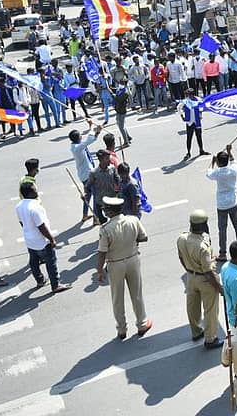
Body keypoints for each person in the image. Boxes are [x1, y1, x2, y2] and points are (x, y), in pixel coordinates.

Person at [96, 196, 151, 339]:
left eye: (105, 209)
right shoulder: (133, 220)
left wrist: (99, 271)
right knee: (137, 294)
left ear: (110, 212)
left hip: (115, 264)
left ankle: (121, 329)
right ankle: (142, 324)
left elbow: (102, 252)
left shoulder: (105, 229)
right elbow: (144, 237)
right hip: (133, 260)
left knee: (117, 298)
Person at [176, 209, 224, 348]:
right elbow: (208, 272)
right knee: (210, 310)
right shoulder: (203, 246)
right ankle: (210, 338)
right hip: (205, 279)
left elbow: (181, 257)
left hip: (191, 277)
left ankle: (196, 331)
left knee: (192, 306)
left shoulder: (182, 238)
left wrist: (190, 270)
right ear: (204, 225)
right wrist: (219, 288)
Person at [17, 181, 70, 293]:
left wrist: (28, 232)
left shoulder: (19, 206)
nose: (37, 191)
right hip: (41, 241)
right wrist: (51, 239)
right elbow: (42, 226)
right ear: (30, 193)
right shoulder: (35, 207)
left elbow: (22, 223)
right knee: (51, 262)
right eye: (35, 190)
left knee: (34, 262)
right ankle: (55, 284)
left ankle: (40, 280)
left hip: (30, 240)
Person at [206, 145, 237, 261]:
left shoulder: (217, 173)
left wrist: (212, 162)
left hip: (222, 204)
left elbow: (208, 173)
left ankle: (223, 253)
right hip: (233, 201)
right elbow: (233, 161)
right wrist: (229, 151)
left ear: (218, 162)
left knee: (222, 229)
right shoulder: (233, 170)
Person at [70, 121, 102, 224]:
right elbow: (88, 140)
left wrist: (91, 127)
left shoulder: (78, 144)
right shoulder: (77, 148)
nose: (81, 137)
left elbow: (88, 138)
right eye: (80, 136)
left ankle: (85, 215)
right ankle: (96, 219)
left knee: (87, 196)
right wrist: (96, 131)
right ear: (77, 138)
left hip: (85, 173)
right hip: (87, 175)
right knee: (96, 195)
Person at [85, 149, 119, 225]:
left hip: (112, 201)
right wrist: (85, 194)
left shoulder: (112, 169)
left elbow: (118, 181)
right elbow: (88, 186)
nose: (109, 161)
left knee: (115, 223)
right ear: (100, 160)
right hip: (101, 204)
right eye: (107, 159)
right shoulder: (94, 173)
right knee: (104, 224)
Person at [180, 88, 209, 160]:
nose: (187, 96)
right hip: (189, 122)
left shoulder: (198, 99)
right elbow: (179, 107)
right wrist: (182, 116)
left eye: (188, 95)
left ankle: (201, 150)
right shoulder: (185, 101)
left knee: (199, 136)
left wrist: (200, 113)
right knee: (189, 138)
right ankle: (188, 152)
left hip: (197, 121)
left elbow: (202, 107)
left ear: (192, 95)